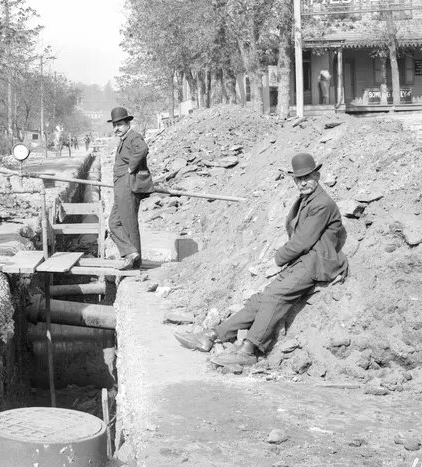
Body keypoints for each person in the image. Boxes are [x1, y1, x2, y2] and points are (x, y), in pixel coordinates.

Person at [175, 152, 348, 367]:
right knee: (260, 299)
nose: (303, 183)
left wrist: (275, 260)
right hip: (304, 259)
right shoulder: (307, 200)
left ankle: (250, 350)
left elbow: (303, 241)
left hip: (318, 261)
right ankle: (211, 335)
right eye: (299, 179)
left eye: (307, 177)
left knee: (275, 295)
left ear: (318, 176)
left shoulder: (322, 204)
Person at [106, 106, 148, 269]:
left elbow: (142, 149)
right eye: (115, 125)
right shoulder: (125, 139)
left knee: (129, 224)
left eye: (120, 125)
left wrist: (131, 167)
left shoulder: (133, 137)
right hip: (121, 188)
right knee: (114, 222)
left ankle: (135, 262)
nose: (117, 128)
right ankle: (131, 253)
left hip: (127, 187)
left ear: (128, 124)